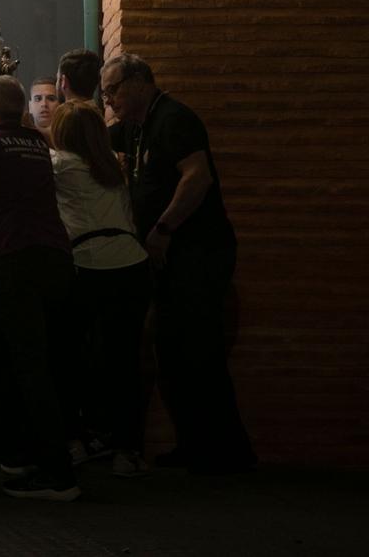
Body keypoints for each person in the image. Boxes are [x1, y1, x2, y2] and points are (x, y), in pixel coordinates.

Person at [101, 54, 255, 474]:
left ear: (139, 82)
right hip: (169, 258)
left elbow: (197, 177)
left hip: (196, 253)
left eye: (113, 88)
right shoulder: (137, 128)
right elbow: (87, 139)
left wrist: (163, 229)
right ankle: (196, 446)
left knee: (200, 351)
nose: (109, 98)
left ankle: (229, 454)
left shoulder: (173, 118)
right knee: (171, 352)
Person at [0, 75, 80, 501]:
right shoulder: (37, 145)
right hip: (57, 258)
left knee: (26, 365)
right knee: (51, 363)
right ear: (21, 109)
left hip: (14, 259)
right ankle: (34, 454)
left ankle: (56, 473)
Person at [50, 100, 153, 478]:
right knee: (125, 362)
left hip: (88, 264)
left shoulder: (58, 165)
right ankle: (128, 450)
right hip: (131, 264)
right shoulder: (113, 164)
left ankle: (75, 440)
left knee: (69, 359)